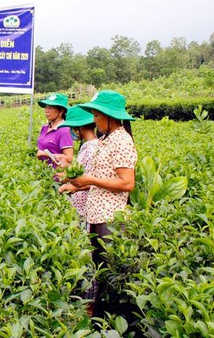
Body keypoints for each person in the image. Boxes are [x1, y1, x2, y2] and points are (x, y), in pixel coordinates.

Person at [62, 90, 137, 317]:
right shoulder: (105, 140)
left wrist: (89, 180)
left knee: (111, 272)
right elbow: (100, 178)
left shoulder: (122, 141)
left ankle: (115, 317)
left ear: (109, 115)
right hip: (96, 215)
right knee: (98, 270)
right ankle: (99, 317)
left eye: (96, 114)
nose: (94, 119)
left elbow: (127, 183)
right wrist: (77, 186)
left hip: (111, 218)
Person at [57, 105, 99, 220]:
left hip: (85, 207)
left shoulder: (92, 148)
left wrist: (72, 186)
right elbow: (84, 172)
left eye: (72, 127)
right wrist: (67, 173)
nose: (71, 130)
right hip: (79, 205)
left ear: (80, 127)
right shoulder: (86, 145)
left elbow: (93, 179)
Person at [36, 93, 73, 168]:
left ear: (61, 111)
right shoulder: (45, 127)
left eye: (50, 108)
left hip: (56, 175)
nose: (46, 110)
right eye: (46, 107)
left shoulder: (64, 130)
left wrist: (45, 154)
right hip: (41, 171)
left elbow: (69, 158)